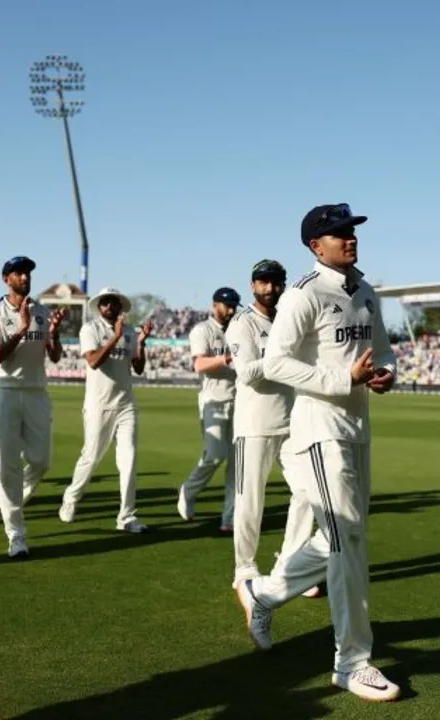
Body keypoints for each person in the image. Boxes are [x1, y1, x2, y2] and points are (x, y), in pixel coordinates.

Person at [234, 204, 400, 702]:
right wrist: (338, 380)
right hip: (319, 430)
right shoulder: (305, 294)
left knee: (342, 538)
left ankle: (262, 593)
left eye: (351, 232)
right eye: (338, 234)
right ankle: (352, 661)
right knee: (347, 538)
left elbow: (384, 350)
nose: (349, 239)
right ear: (315, 245)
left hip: (358, 427)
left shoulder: (365, 292)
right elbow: (275, 362)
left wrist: (388, 373)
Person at [226, 260, 320, 593]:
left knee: (309, 492)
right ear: (253, 285)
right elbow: (246, 373)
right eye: (264, 282)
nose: (271, 288)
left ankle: (291, 567)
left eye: (277, 282)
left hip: (292, 422)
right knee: (250, 501)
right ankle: (245, 568)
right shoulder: (242, 322)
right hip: (254, 426)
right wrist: (280, 360)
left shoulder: (286, 319)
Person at [0, 255, 66, 558]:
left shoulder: (42, 312)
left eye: (28, 272)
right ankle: (16, 534)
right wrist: (19, 329)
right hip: (5, 392)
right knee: (7, 462)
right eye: (18, 273)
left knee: (41, 461)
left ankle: (11, 496)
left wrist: (53, 335)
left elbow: (54, 356)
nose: (25, 277)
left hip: (36, 393)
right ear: (6, 279)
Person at [59, 287, 152, 533]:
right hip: (98, 405)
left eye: (114, 302)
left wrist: (141, 343)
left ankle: (127, 516)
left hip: (125, 404)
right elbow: (93, 361)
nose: (109, 306)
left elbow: (138, 367)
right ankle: (71, 497)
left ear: (121, 306)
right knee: (91, 457)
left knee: (129, 460)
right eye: (105, 302)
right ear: (99, 307)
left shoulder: (130, 332)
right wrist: (115, 337)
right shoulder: (90, 329)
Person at [177, 287, 240, 532]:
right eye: (227, 306)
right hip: (213, 401)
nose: (232, 310)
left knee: (237, 463)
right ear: (215, 305)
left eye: (235, 305)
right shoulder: (202, 330)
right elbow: (199, 364)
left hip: (241, 401)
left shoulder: (238, 328)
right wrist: (226, 358)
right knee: (215, 455)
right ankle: (188, 491)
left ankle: (230, 518)